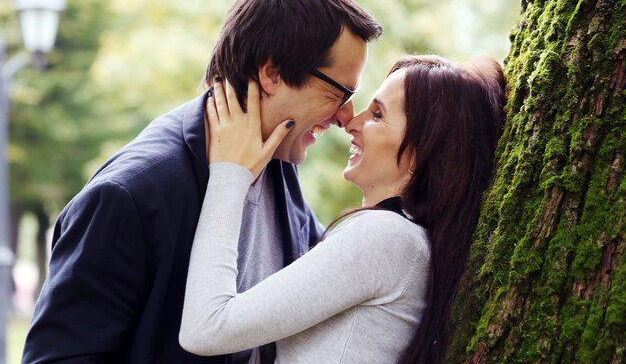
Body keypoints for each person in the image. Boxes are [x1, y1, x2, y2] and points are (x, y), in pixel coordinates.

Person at [21, 0, 381, 364]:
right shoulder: (130, 196)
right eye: (339, 92)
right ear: (272, 73)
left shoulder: (278, 159)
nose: (346, 116)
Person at [179, 54, 507, 364]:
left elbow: (207, 329)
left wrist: (229, 171)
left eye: (377, 115)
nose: (352, 122)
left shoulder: (386, 238)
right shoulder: (402, 241)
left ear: (422, 154)